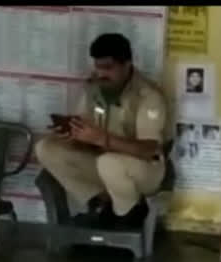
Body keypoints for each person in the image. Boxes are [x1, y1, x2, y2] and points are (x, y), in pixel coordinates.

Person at [35, 33, 168, 230]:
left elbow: (150, 150)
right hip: (103, 164)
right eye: (98, 67)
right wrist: (73, 135)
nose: (101, 74)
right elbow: (84, 128)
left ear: (127, 64)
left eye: (108, 68)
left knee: (109, 163)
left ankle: (128, 217)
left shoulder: (148, 96)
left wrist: (102, 139)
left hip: (144, 171)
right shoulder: (94, 90)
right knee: (46, 148)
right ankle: (100, 202)